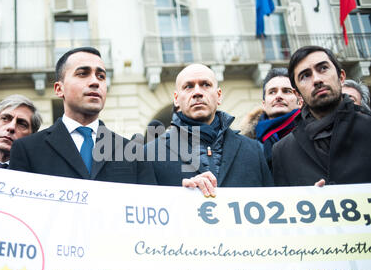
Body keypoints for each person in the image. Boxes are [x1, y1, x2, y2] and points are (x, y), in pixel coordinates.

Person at [9, 47, 156, 184]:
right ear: (59, 89)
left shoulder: (134, 152)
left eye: (101, 76)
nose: (95, 82)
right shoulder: (27, 150)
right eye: (83, 74)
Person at [145, 63, 273, 196]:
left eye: (205, 84)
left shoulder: (254, 150)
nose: (197, 92)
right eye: (188, 86)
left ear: (219, 96)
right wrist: (181, 195)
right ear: (176, 99)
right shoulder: (150, 154)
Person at [272, 45, 371, 186]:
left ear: (341, 77)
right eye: (305, 75)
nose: (317, 79)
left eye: (323, 68)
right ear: (297, 94)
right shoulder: (283, 151)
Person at [240, 67, 302, 169]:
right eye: (272, 92)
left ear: (299, 100)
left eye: (286, 91)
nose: (278, 96)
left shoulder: (313, 134)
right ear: (264, 104)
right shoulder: (245, 145)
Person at [0, 94, 42, 168]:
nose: (11, 127)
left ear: (32, 138)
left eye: (22, 124)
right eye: (5, 119)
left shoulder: (39, 175)